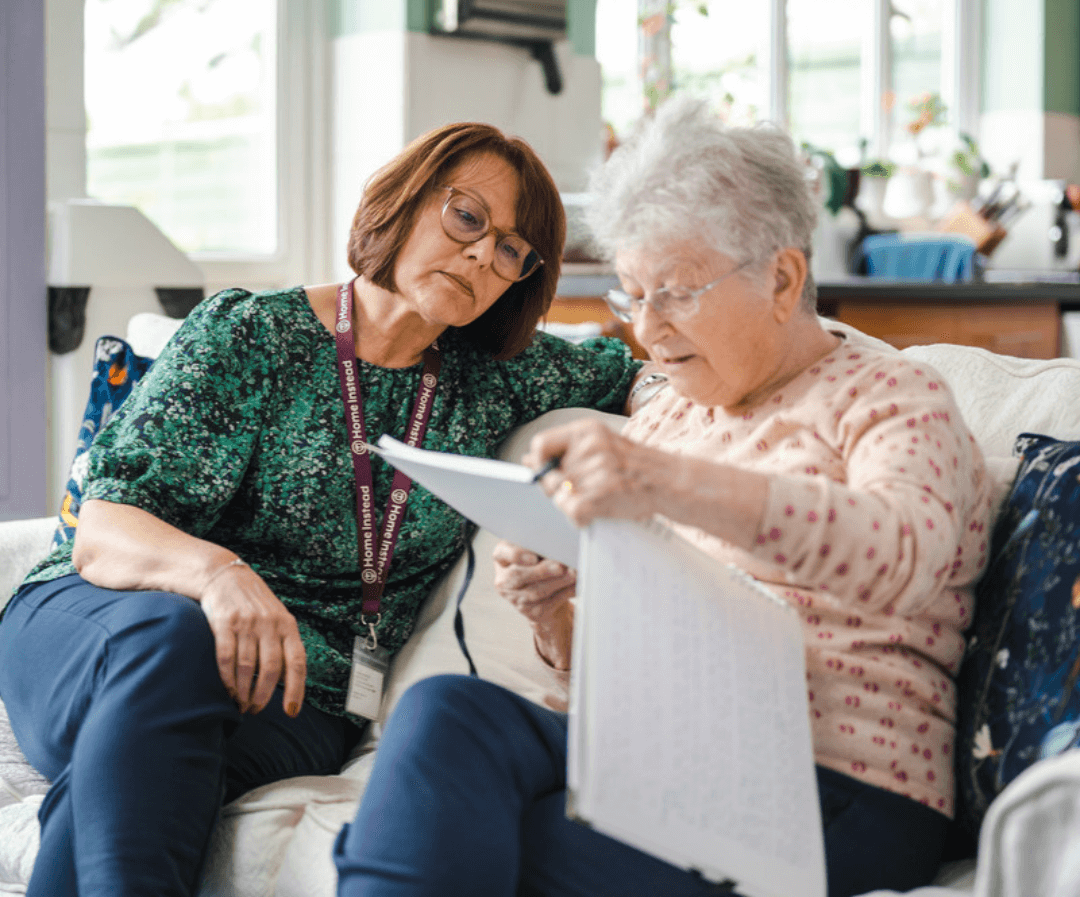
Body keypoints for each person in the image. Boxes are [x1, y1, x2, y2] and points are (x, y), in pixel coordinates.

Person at [332, 98, 993, 897]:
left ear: (781, 279)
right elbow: (636, 656)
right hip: (667, 753)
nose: (646, 330)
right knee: (447, 713)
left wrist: (667, 483)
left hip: (834, 786)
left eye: (675, 293)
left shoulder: (892, 397)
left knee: (505, 848)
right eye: (631, 295)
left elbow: (905, 554)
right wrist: (556, 616)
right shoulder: (670, 409)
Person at [0, 122, 648, 897]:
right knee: (176, 642)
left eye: (512, 250)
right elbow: (102, 531)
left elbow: (655, 374)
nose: (482, 254)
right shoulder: (252, 335)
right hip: (107, 625)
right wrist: (219, 576)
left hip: (300, 694)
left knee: (149, 779)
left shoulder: (501, 378)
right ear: (402, 203)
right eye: (467, 217)